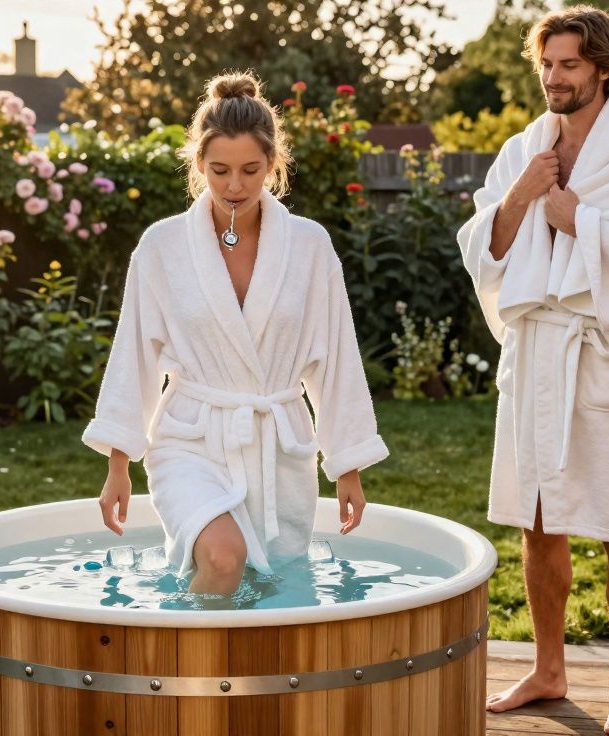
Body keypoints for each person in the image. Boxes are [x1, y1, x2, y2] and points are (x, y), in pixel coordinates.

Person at [456, 7, 609, 735]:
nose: (554, 78)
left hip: (604, 353)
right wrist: (521, 196)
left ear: (604, 69)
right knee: (537, 522)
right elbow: (482, 248)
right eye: (547, 64)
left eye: (568, 64)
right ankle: (548, 668)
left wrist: (576, 219)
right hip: (536, 349)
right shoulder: (524, 148)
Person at [82, 72, 388, 598]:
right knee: (224, 560)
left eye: (251, 170)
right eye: (219, 170)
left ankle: (214, 643)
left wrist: (347, 466)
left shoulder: (309, 247)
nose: (235, 186)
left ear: (273, 163)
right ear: (198, 164)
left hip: (275, 445)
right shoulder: (162, 247)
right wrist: (117, 465)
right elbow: (134, 357)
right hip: (191, 437)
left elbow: (337, 359)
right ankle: (187, 653)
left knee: (271, 588)